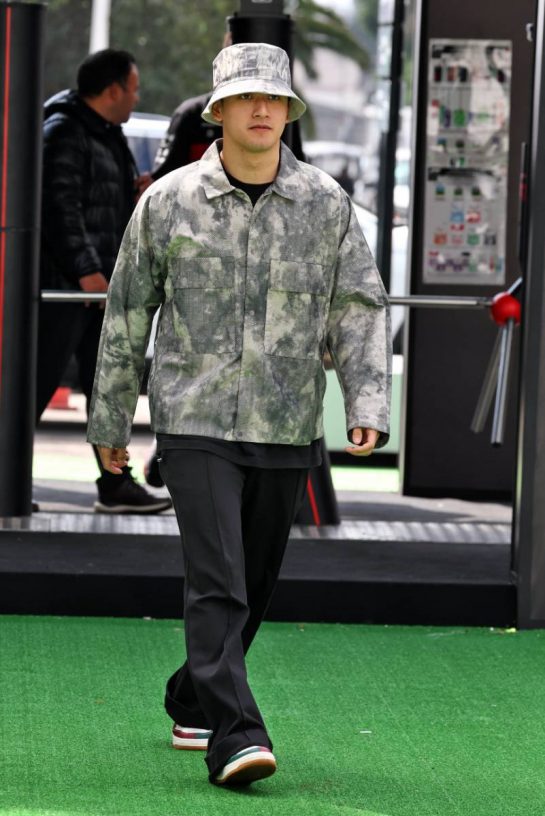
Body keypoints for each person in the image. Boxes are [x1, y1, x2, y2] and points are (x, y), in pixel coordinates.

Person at [87, 43, 391, 785]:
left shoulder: (325, 204)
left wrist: (366, 400)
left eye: (275, 100)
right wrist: (109, 426)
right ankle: (236, 731)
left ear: (289, 112)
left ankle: (191, 695)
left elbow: (356, 306)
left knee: (251, 582)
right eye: (246, 99)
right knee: (217, 576)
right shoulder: (166, 202)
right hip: (194, 419)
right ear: (218, 111)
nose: (262, 111)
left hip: (285, 419)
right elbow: (127, 314)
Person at [37, 48, 171, 514]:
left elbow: (93, 202)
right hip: (70, 288)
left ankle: (115, 483)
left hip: (95, 289)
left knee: (107, 386)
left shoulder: (102, 134)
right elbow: (59, 208)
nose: (137, 97)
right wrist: (86, 270)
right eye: (133, 88)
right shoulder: (65, 132)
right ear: (113, 89)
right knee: (34, 384)